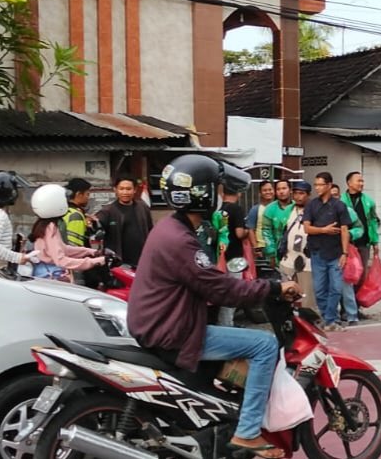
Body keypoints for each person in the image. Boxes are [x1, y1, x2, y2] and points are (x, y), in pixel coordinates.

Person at [127, 154, 300, 459]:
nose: (221, 195)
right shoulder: (180, 239)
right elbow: (220, 289)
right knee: (264, 344)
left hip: (163, 324)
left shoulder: (171, 228)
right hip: (174, 332)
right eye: (218, 189)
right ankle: (247, 433)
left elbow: (205, 280)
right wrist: (273, 287)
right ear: (202, 194)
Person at [303, 172, 352, 332]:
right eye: (316, 185)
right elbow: (307, 228)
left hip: (336, 253)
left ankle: (330, 319)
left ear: (329, 185)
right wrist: (324, 230)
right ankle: (328, 318)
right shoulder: (311, 205)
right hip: (317, 252)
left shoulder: (339, 206)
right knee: (319, 289)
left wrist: (345, 253)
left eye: (320, 184)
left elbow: (344, 230)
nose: (317, 188)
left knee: (336, 288)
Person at [28, 184, 106, 281]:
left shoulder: (44, 224)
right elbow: (60, 260)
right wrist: (94, 261)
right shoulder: (50, 227)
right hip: (52, 276)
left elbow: (64, 249)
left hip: (47, 272)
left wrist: (90, 252)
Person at [279, 180, 321, 316]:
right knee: (286, 295)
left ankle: (309, 321)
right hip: (288, 258)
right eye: (295, 193)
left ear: (308, 195)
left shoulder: (317, 210)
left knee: (307, 298)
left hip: (307, 260)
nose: (298, 197)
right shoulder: (288, 210)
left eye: (301, 193)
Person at [96, 174, 154, 267]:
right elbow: (96, 227)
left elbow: (151, 230)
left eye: (128, 189)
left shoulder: (142, 207)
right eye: (121, 189)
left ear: (135, 190)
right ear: (115, 190)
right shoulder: (107, 211)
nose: (125, 192)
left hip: (142, 259)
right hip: (119, 261)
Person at [331, 184, 366, 326]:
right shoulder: (318, 210)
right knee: (330, 288)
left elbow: (360, 228)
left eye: (336, 195)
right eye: (331, 195)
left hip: (344, 253)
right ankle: (333, 317)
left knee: (346, 286)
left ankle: (352, 316)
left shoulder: (348, 211)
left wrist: (349, 234)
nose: (333, 197)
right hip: (326, 252)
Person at [217, 186, 248, 326]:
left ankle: (223, 322)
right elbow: (239, 233)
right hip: (234, 256)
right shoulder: (236, 209)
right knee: (233, 291)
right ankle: (227, 324)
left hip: (219, 255)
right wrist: (248, 231)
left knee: (221, 291)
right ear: (239, 193)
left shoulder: (218, 208)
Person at [262, 180, 294, 265]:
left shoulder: (296, 207)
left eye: (284, 188)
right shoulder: (270, 209)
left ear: (290, 190)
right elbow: (266, 232)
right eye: (278, 189)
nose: (281, 191)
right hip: (277, 252)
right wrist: (271, 253)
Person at [245, 180, 275, 262]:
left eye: (270, 189)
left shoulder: (279, 208)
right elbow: (250, 230)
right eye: (265, 190)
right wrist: (256, 247)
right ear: (260, 193)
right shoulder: (255, 209)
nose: (268, 192)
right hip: (262, 247)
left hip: (277, 247)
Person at [60, 178, 93, 248]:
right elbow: (76, 247)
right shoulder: (76, 215)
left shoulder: (63, 211)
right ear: (79, 194)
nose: (88, 198)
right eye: (87, 194)